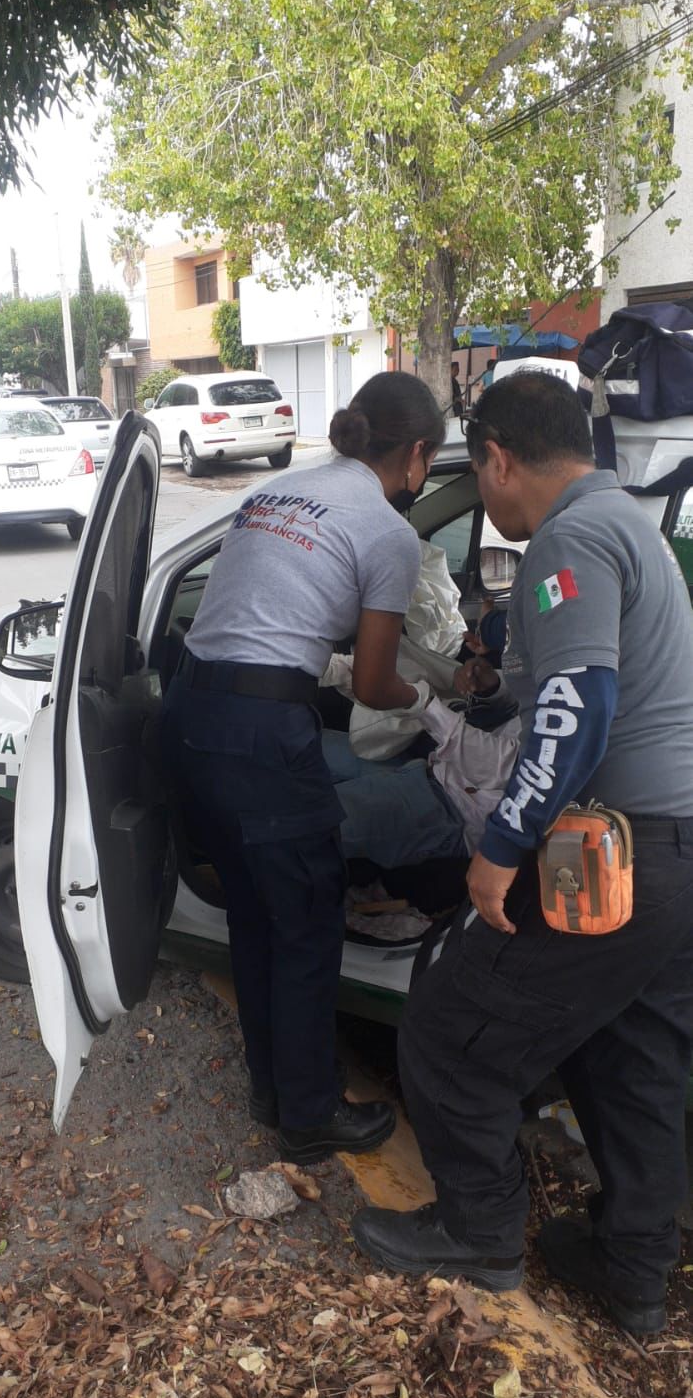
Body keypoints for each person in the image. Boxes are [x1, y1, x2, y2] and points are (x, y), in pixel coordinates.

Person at [352, 370, 693, 1335]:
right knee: (634, 1063)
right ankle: (630, 1275)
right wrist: (498, 672)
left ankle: (480, 1237)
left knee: (450, 1028)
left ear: (495, 458)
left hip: (612, 852)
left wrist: (500, 848)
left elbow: (576, 709)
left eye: (483, 471)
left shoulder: (568, 539)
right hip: (675, 850)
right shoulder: (628, 523)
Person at [161, 372, 446, 1165]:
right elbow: (373, 684)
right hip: (261, 734)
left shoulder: (280, 493)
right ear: (418, 454)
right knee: (309, 917)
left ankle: (273, 1087)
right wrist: (436, 692)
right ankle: (311, 1116)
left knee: (256, 914)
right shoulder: (388, 533)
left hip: (190, 715)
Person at [323, 658, 521, 872]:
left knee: (308, 817)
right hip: (428, 763)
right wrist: (493, 688)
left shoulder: (559, 736)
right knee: (306, 746)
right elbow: (521, 703)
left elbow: (498, 767)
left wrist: (422, 703)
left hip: (451, 808)